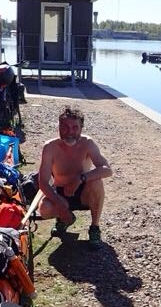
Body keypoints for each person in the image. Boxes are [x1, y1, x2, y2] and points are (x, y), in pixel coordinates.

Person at [37, 106, 113, 248]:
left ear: (81, 128)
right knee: (44, 209)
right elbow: (43, 182)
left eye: (74, 127)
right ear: (59, 127)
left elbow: (107, 170)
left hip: (83, 193)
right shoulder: (50, 147)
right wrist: (61, 206)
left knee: (96, 182)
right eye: (65, 127)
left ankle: (95, 228)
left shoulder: (88, 143)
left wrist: (80, 179)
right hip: (61, 192)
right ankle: (63, 219)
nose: (70, 132)